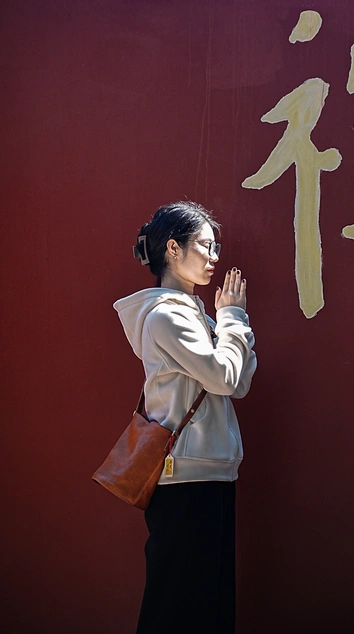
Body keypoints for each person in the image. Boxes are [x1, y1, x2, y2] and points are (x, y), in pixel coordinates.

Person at [113, 201, 257, 634]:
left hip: (211, 471)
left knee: (209, 605)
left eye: (216, 248)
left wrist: (229, 322)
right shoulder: (166, 316)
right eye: (205, 246)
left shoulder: (196, 315)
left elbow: (238, 381)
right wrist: (233, 317)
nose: (214, 257)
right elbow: (225, 377)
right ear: (173, 249)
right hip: (186, 478)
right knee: (178, 607)